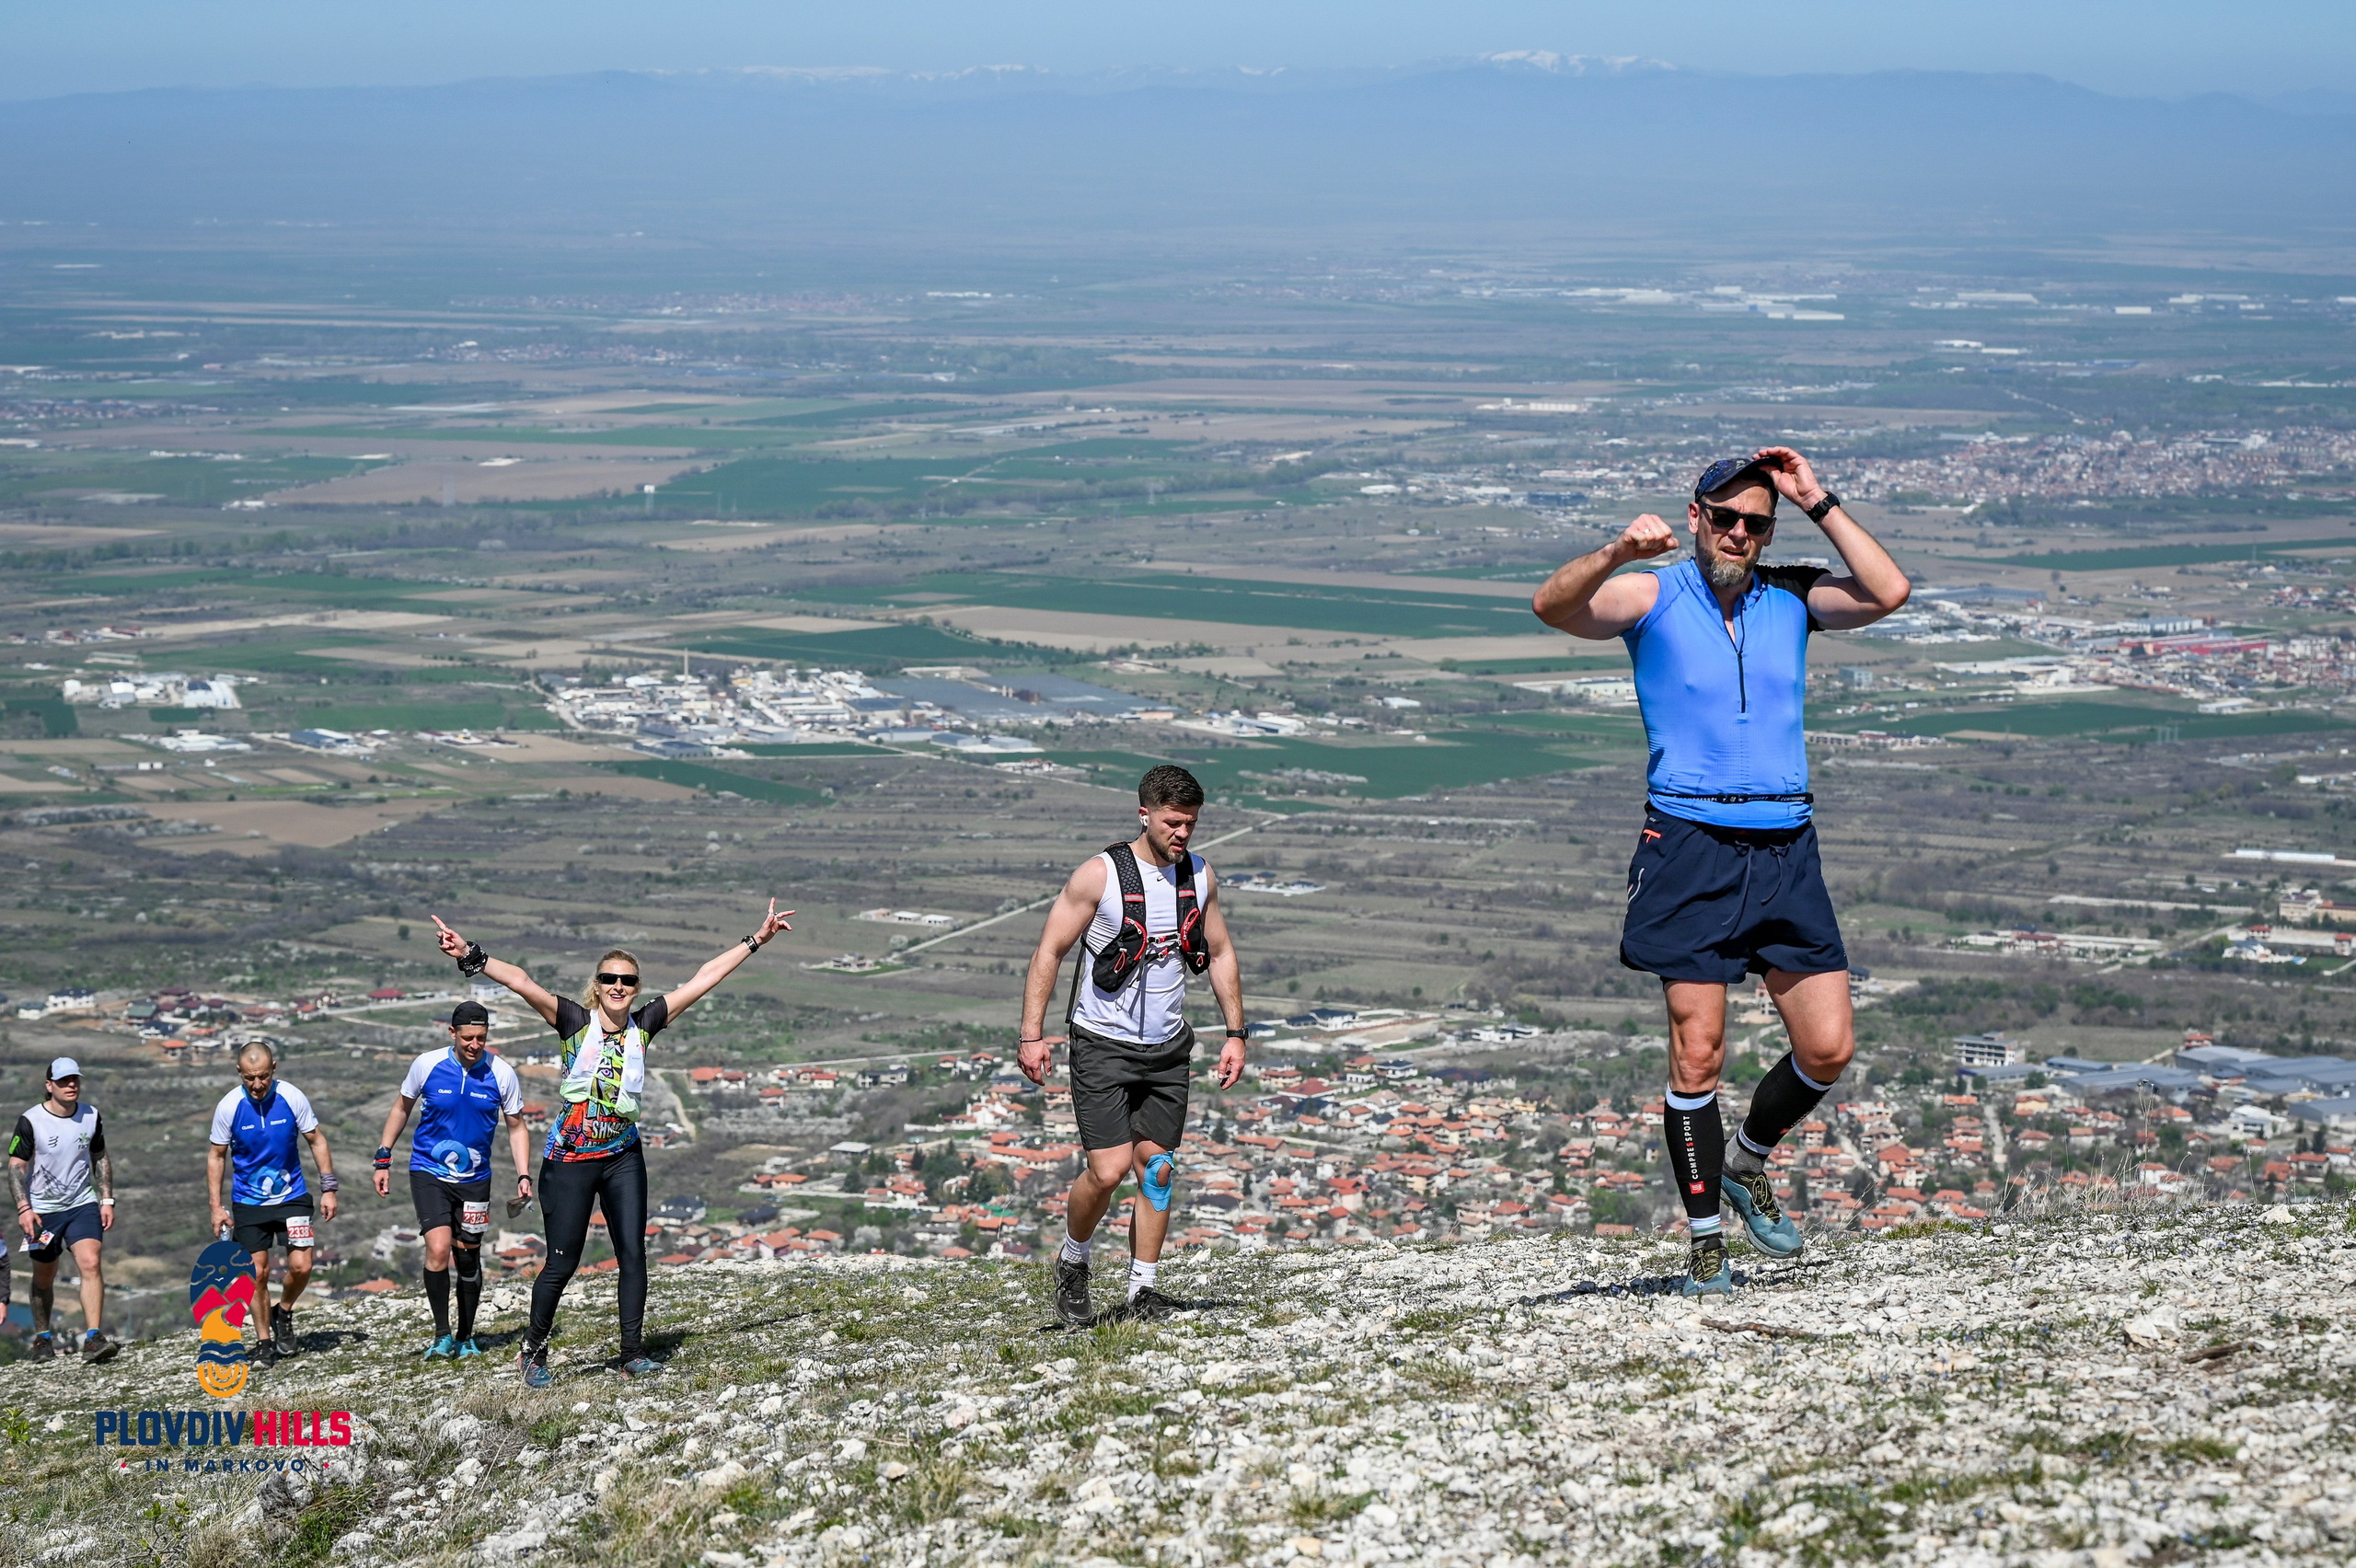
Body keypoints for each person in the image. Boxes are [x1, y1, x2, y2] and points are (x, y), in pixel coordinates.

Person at [1531, 447, 1911, 1297]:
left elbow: (1889, 592)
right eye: (1726, 518)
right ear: (1696, 516)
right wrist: (1616, 552)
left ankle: (1746, 1162)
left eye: (1756, 523)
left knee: (1828, 1045)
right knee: (1698, 1054)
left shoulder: (1793, 594)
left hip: (1786, 846)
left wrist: (1820, 501)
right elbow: (1552, 607)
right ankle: (1705, 1244)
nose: (1740, 533)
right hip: (1690, 845)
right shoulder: (1654, 593)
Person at [434, 900, 793, 1388]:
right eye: (609, 979)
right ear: (597, 985)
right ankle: (533, 1352)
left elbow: (703, 979)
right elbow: (521, 981)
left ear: (636, 988)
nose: (618, 987)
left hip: (623, 1155)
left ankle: (631, 1353)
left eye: (627, 981)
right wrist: (471, 955)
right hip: (570, 1162)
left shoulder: (644, 1025)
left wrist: (756, 940)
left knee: (633, 1255)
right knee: (562, 1261)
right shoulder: (572, 1023)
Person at [1017, 765, 1247, 1325]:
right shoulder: (1099, 877)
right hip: (1102, 1043)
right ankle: (1073, 1260)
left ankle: (1142, 1291)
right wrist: (1032, 1034)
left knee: (1159, 1170)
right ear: (1144, 813)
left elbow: (1219, 954)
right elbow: (1050, 951)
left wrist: (1236, 1033)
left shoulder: (1199, 876)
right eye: (1173, 822)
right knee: (1109, 1169)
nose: (1183, 834)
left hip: (1168, 1047)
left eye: (1191, 824)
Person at [373, 1000, 531, 1360]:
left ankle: (466, 1336)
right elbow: (401, 1108)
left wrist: (524, 1174)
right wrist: (384, 1157)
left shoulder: (501, 1073)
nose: (475, 1045)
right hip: (429, 1171)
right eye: (468, 1038)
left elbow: (517, 1126)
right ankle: (442, 1335)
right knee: (439, 1249)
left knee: (469, 1257)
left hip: (475, 1179)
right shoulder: (427, 1065)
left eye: (482, 1038)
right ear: (452, 1033)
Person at [207, 1041, 340, 1355]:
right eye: (250, 1077)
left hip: (291, 1196)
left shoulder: (291, 1097)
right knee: (257, 1273)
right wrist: (216, 1207)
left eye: (263, 1076)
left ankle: (285, 1310)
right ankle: (264, 1341)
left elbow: (316, 1140)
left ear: (274, 1069)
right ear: (239, 1072)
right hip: (249, 1203)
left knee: (302, 1265)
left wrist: (329, 1188)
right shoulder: (229, 1106)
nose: (257, 1084)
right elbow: (216, 1156)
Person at [7, 1057, 118, 1363]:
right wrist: (24, 1208)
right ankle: (43, 1339)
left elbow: (100, 1156)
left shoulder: (91, 1116)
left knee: (91, 1262)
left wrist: (106, 1199)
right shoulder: (31, 1121)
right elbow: (16, 1167)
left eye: (75, 1080)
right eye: (64, 1081)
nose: (71, 1085)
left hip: (82, 1203)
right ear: (49, 1086)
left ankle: (94, 1337)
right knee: (44, 1274)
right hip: (43, 1211)